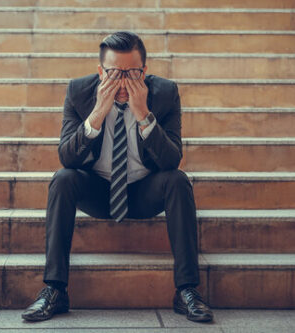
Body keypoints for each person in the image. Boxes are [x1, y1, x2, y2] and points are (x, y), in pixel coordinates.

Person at [21, 31, 213, 323]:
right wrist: (98, 113)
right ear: (101, 72)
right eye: (113, 73)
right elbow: (68, 157)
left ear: (145, 71)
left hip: (144, 191)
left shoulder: (165, 93)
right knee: (62, 178)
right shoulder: (78, 91)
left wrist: (144, 114)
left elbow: (172, 159)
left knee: (178, 180)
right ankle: (55, 289)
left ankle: (186, 290)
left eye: (132, 73)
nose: (122, 82)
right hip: (98, 191)